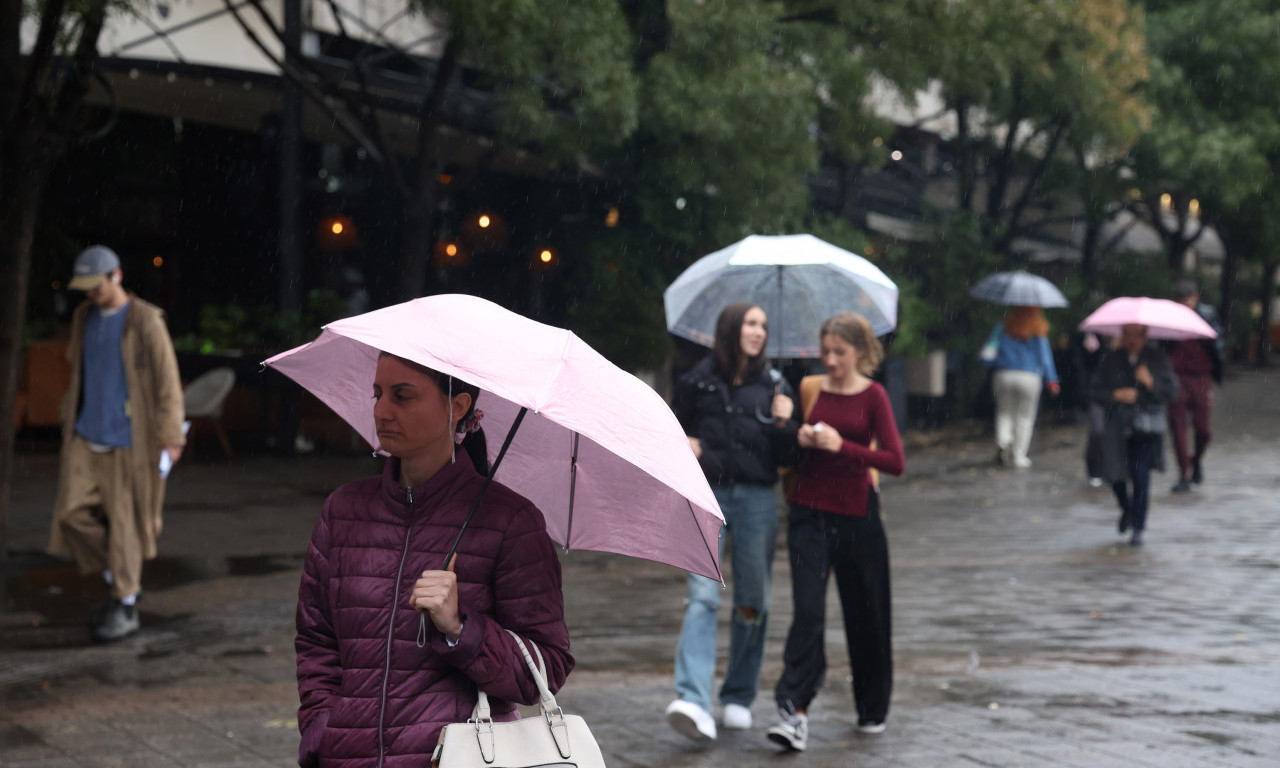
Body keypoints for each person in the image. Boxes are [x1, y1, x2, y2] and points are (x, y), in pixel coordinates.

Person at [295, 354, 572, 767]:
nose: (381, 410)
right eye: (377, 394)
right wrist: (323, 728)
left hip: (459, 758)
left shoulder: (510, 521)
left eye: (403, 396)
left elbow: (546, 667)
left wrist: (462, 629)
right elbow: (316, 639)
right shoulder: (343, 510)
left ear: (457, 407)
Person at [768, 312, 905, 752]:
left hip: (857, 514)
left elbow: (895, 461)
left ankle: (872, 706)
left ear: (860, 353)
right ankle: (794, 711)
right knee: (808, 612)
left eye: (839, 353)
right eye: (825, 351)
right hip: (808, 511)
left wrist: (842, 446)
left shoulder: (875, 395)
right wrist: (797, 433)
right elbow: (787, 445)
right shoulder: (810, 387)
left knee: (866, 614)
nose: (830, 360)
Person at [665, 303, 798, 742]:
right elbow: (672, 437)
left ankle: (739, 695)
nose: (758, 331)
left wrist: (784, 422)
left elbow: (786, 458)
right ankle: (694, 700)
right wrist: (688, 446)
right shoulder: (696, 382)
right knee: (702, 596)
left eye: (763, 324)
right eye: (750, 323)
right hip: (708, 499)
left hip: (759, 500)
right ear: (730, 329)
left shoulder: (776, 385)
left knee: (752, 602)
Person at [48, 245, 186, 643]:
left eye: (96, 285)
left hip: (130, 440)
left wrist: (172, 437)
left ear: (116, 276)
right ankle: (118, 570)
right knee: (70, 515)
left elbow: (166, 382)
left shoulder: (145, 320)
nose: (90, 293)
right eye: (85, 287)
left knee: (126, 524)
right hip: (86, 434)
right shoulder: (83, 316)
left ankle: (124, 603)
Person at [1090, 324, 1179, 546]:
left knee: (1141, 476)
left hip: (1145, 427)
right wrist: (1115, 394)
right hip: (1116, 426)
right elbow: (1093, 390)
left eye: (1136, 335)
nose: (1132, 340)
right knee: (1113, 474)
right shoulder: (1111, 358)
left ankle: (1138, 526)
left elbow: (1170, 391)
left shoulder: (1156, 358)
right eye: (1127, 335)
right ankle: (1127, 508)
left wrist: (1150, 381)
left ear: (1145, 336)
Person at [979, 305, 1060, 468]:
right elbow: (1045, 358)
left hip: (1004, 374)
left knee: (1004, 413)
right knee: (1025, 417)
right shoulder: (1038, 330)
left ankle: (1004, 441)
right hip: (1029, 376)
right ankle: (1019, 456)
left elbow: (987, 354)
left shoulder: (1003, 327)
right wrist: (1051, 380)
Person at [1166, 280, 1225, 492]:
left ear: (1195, 298)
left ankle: (1196, 459)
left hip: (1201, 378)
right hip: (1176, 378)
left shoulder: (1207, 316)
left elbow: (1218, 344)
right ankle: (1184, 473)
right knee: (1178, 427)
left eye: (1188, 300)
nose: (1185, 304)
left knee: (1204, 429)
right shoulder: (1170, 319)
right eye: (1181, 301)